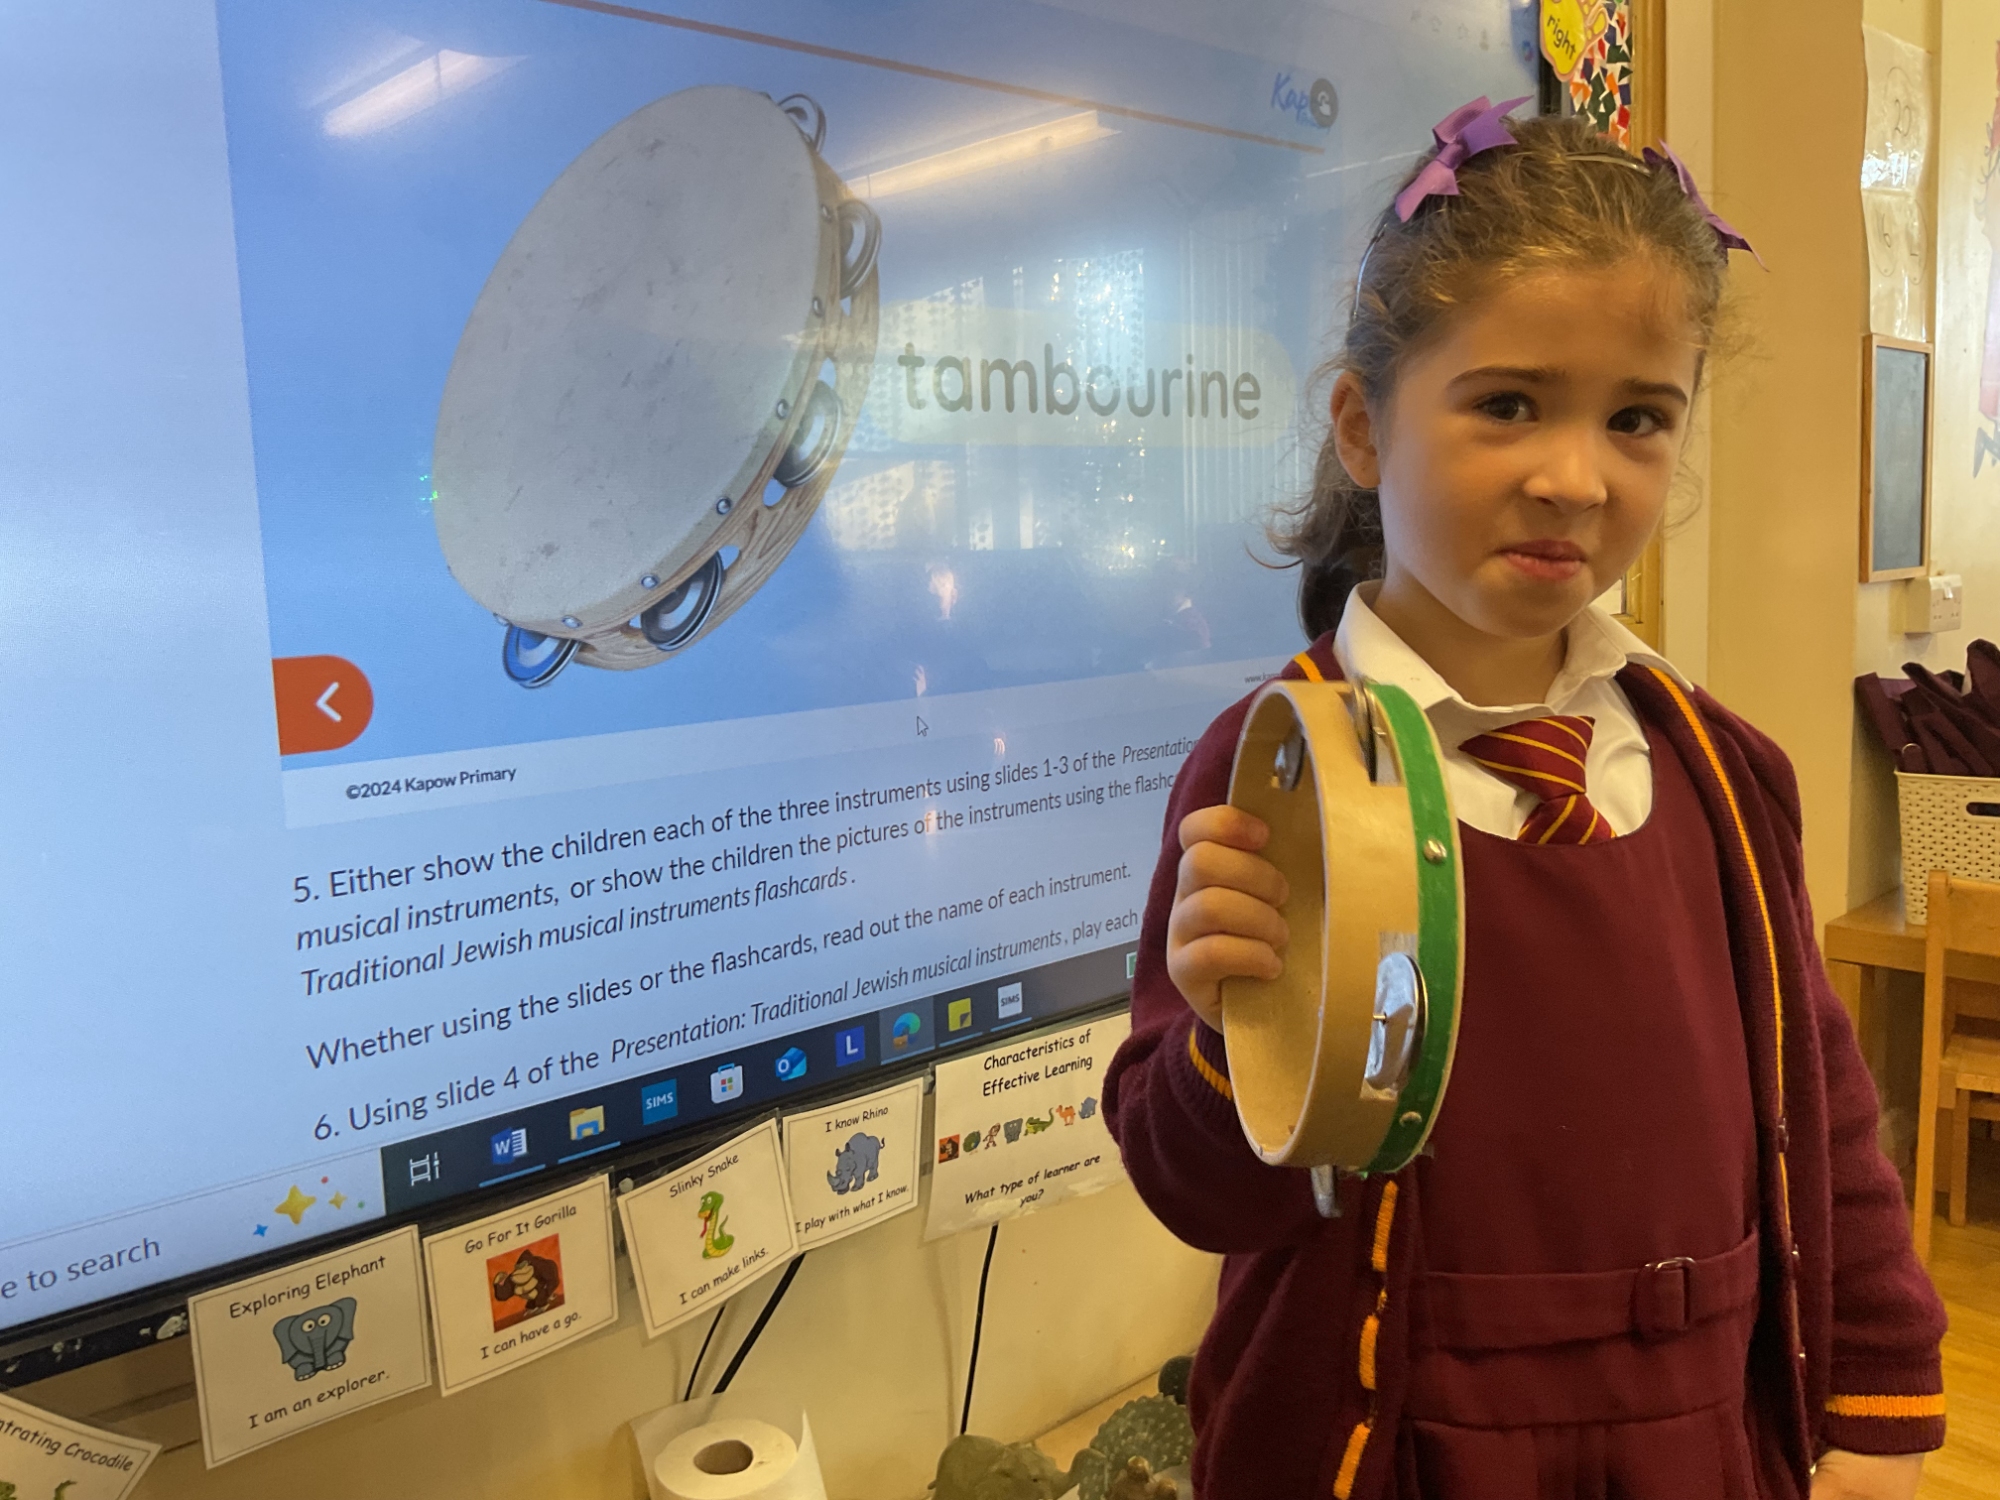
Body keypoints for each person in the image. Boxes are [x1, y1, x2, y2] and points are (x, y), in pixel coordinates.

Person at [1103, 101, 1946, 1500]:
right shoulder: (1277, 772)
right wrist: (1226, 1038)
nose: (1574, 477)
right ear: (1363, 428)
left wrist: (1875, 1396)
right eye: (1507, 405)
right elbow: (1199, 1188)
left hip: (1696, 1435)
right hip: (1403, 1442)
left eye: (1637, 419)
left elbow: (1825, 1109)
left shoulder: (1726, 775)